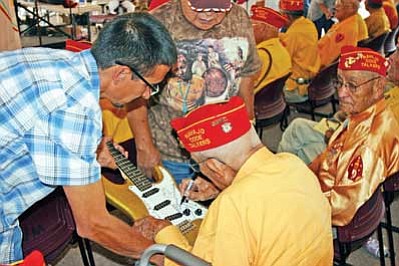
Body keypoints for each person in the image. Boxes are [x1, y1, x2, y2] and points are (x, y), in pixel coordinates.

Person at [0, 13, 177, 264]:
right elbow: (93, 224)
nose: (147, 95)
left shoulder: (54, 60)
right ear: (122, 74)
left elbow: (35, 124)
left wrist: (89, 151)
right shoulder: (76, 110)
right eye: (150, 85)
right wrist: (163, 257)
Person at [134, 96, 333, 265]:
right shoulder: (293, 163)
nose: (200, 172)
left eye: (198, 166)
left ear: (215, 167)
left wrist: (162, 230)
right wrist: (225, 188)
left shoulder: (232, 204)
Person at [126, 0, 261, 183]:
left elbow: (247, 75)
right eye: (198, 7)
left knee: (229, 207)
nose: (208, 15)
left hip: (227, 148)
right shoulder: (155, 24)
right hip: (173, 152)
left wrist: (248, 127)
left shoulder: (239, 18)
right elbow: (133, 92)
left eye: (218, 9)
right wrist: (144, 146)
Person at [279, 45, 399, 228]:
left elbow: (341, 207)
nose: (341, 93)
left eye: (352, 85)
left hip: (334, 207)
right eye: (340, 83)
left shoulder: (371, 144)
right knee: (296, 134)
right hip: (339, 165)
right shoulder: (382, 101)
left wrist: (298, 201)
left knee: (297, 149)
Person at [278, 0, 321, 103]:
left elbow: (281, 61)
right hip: (311, 85)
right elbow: (293, 40)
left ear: (286, 16)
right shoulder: (308, 24)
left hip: (296, 90)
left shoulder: (294, 33)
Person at [250, 5, 292, 94]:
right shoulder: (278, 47)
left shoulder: (261, 55)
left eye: (250, 25)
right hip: (272, 103)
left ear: (263, 28)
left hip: (255, 102)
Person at [318, 0, 368, 68]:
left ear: (350, 9)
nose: (335, 7)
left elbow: (329, 60)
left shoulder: (347, 29)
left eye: (339, 5)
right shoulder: (345, 21)